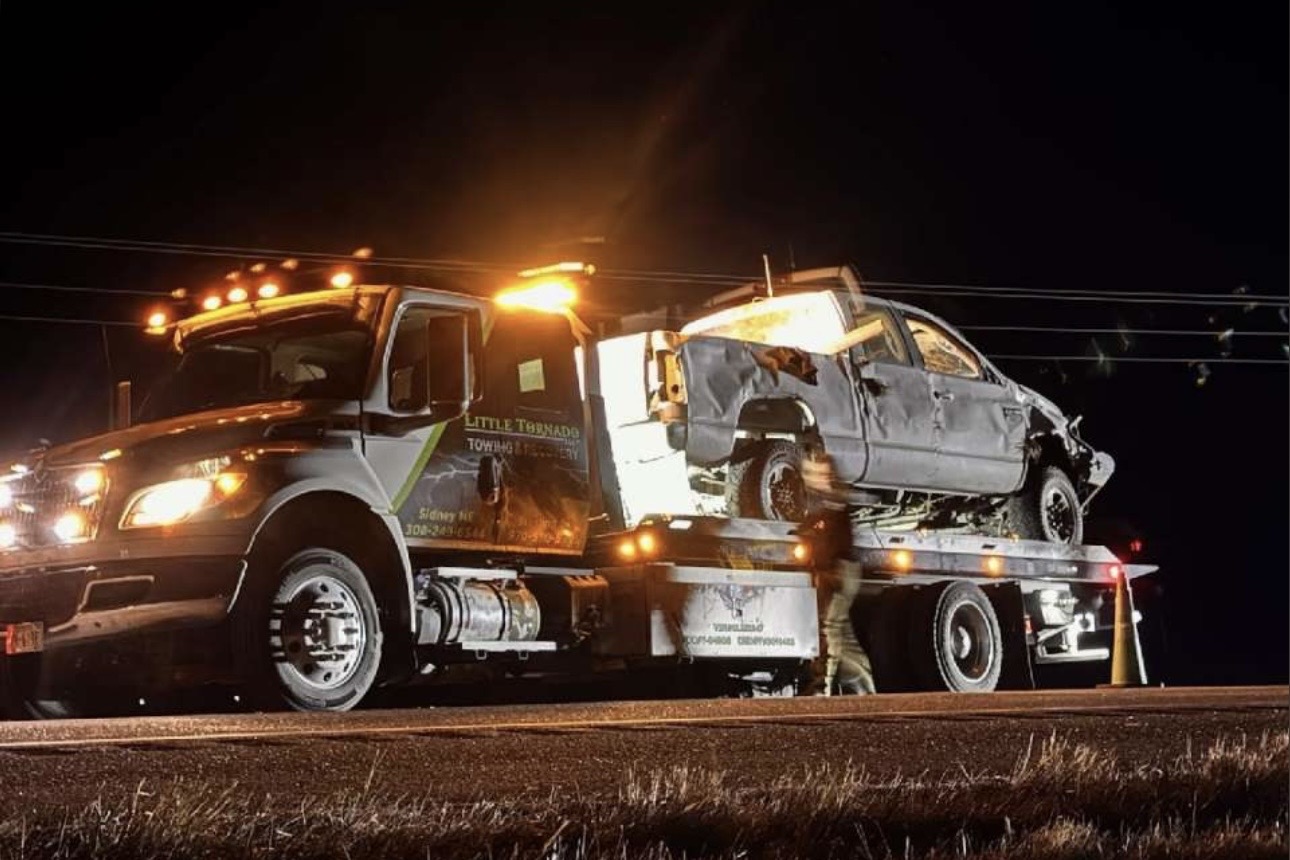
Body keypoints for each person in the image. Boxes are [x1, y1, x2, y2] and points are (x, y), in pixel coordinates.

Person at [798, 447, 876, 696]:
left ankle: (823, 687)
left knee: (829, 626)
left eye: (817, 473)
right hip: (837, 569)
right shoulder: (824, 500)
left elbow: (832, 532)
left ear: (828, 475)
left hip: (840, 570)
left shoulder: (833, 499)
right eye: (808, 473)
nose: (812, 478)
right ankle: (866, 687)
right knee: (843, 633)